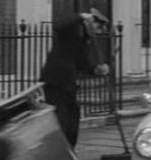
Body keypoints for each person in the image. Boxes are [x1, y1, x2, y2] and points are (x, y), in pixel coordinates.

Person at [40, 8, 110, 147]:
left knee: (74, 118)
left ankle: (70, 151)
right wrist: (79, 16)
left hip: (68, 85)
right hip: (55, 81)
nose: (98, 33)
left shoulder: (84, 40)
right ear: (92, 22)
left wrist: (96, 70)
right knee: (62, 120)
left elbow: (82, 63)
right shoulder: (72, 29)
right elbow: (58, 25)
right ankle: (59, 152)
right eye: (98, 28)